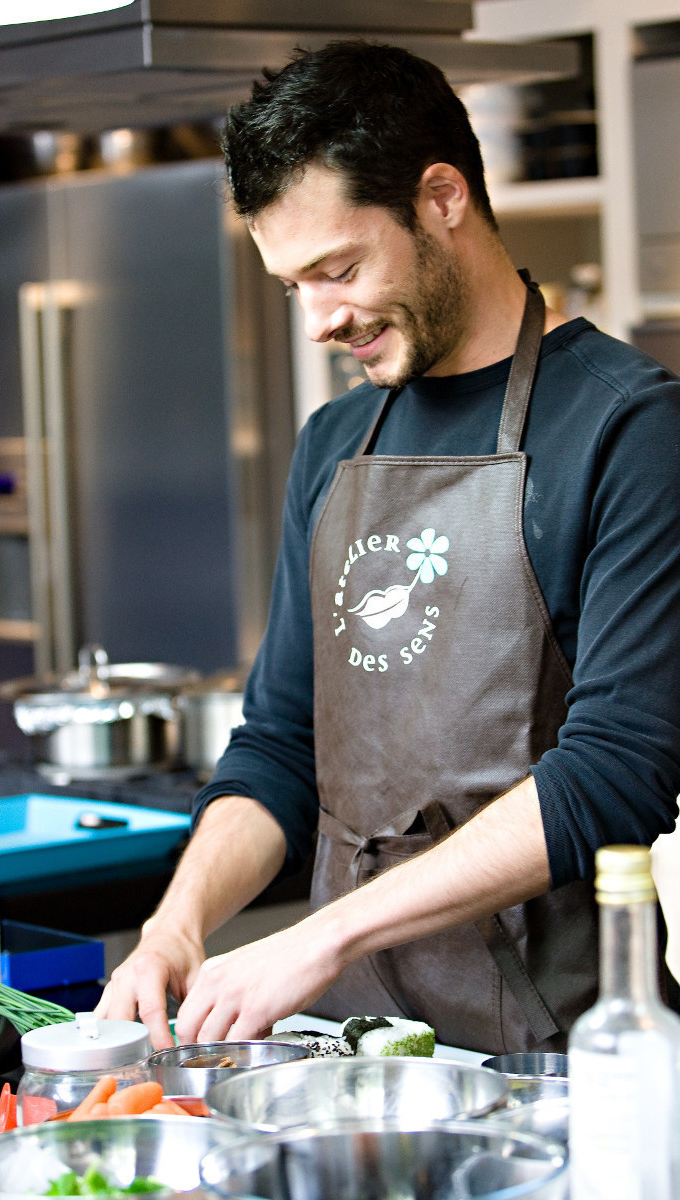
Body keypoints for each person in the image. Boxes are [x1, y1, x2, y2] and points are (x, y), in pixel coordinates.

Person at [96, 40, 680, 1055]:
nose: (322, 318)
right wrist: (173, 928)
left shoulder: (630, 431)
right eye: (295, 286)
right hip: (354, 1055)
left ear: (443, 196)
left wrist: (320, 937)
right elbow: (280, 745)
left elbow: (615, 772)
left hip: (566, 1065)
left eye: (341, 268)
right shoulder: (333, 445)